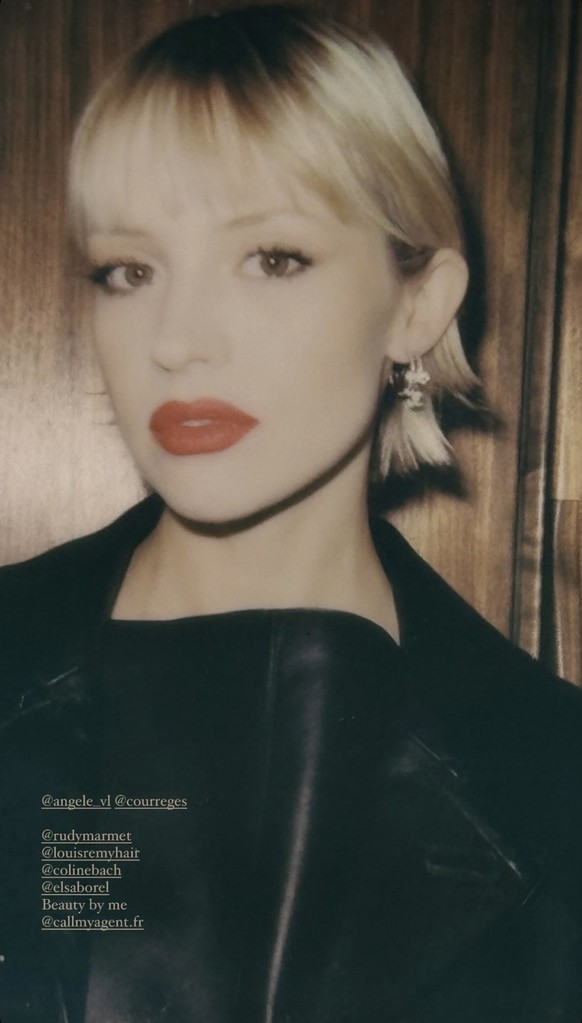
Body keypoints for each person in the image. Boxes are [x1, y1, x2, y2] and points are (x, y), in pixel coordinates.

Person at [1, 5, 581, 1021]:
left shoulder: (555, 776)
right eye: (129, 271)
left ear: (418, 305)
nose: (177, 340)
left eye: (273, 257)